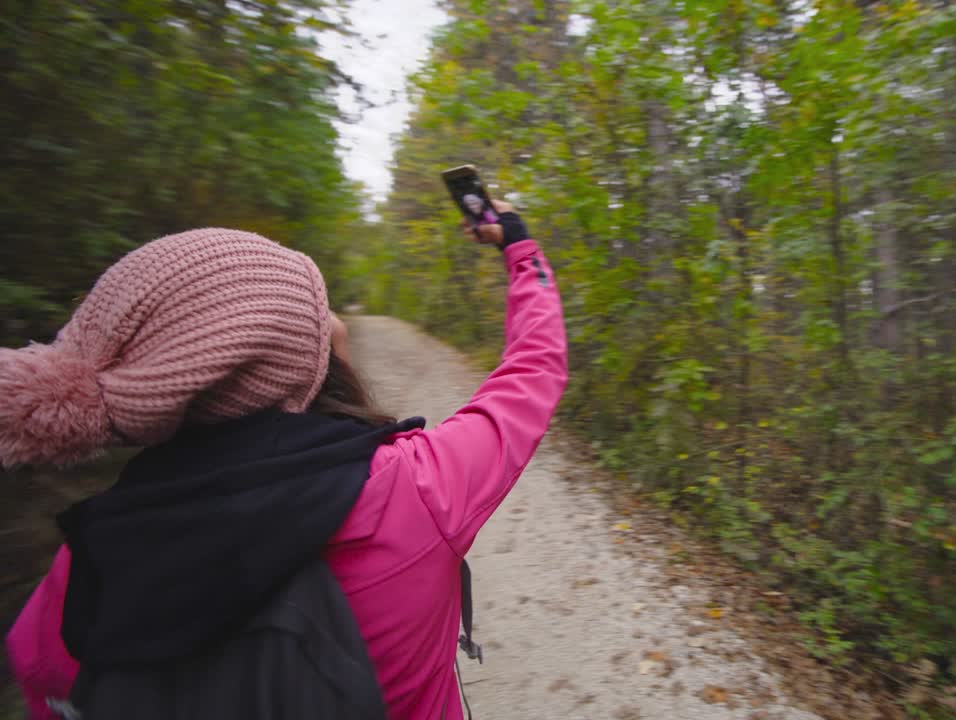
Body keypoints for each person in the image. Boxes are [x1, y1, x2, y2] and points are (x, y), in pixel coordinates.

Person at [1, 200, 567, 720]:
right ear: (294, 367)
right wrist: (517, 244)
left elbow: (43, 681)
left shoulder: (88, 566)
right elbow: (534, 368)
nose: (337, 322)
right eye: (319, 312)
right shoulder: (419, 487)